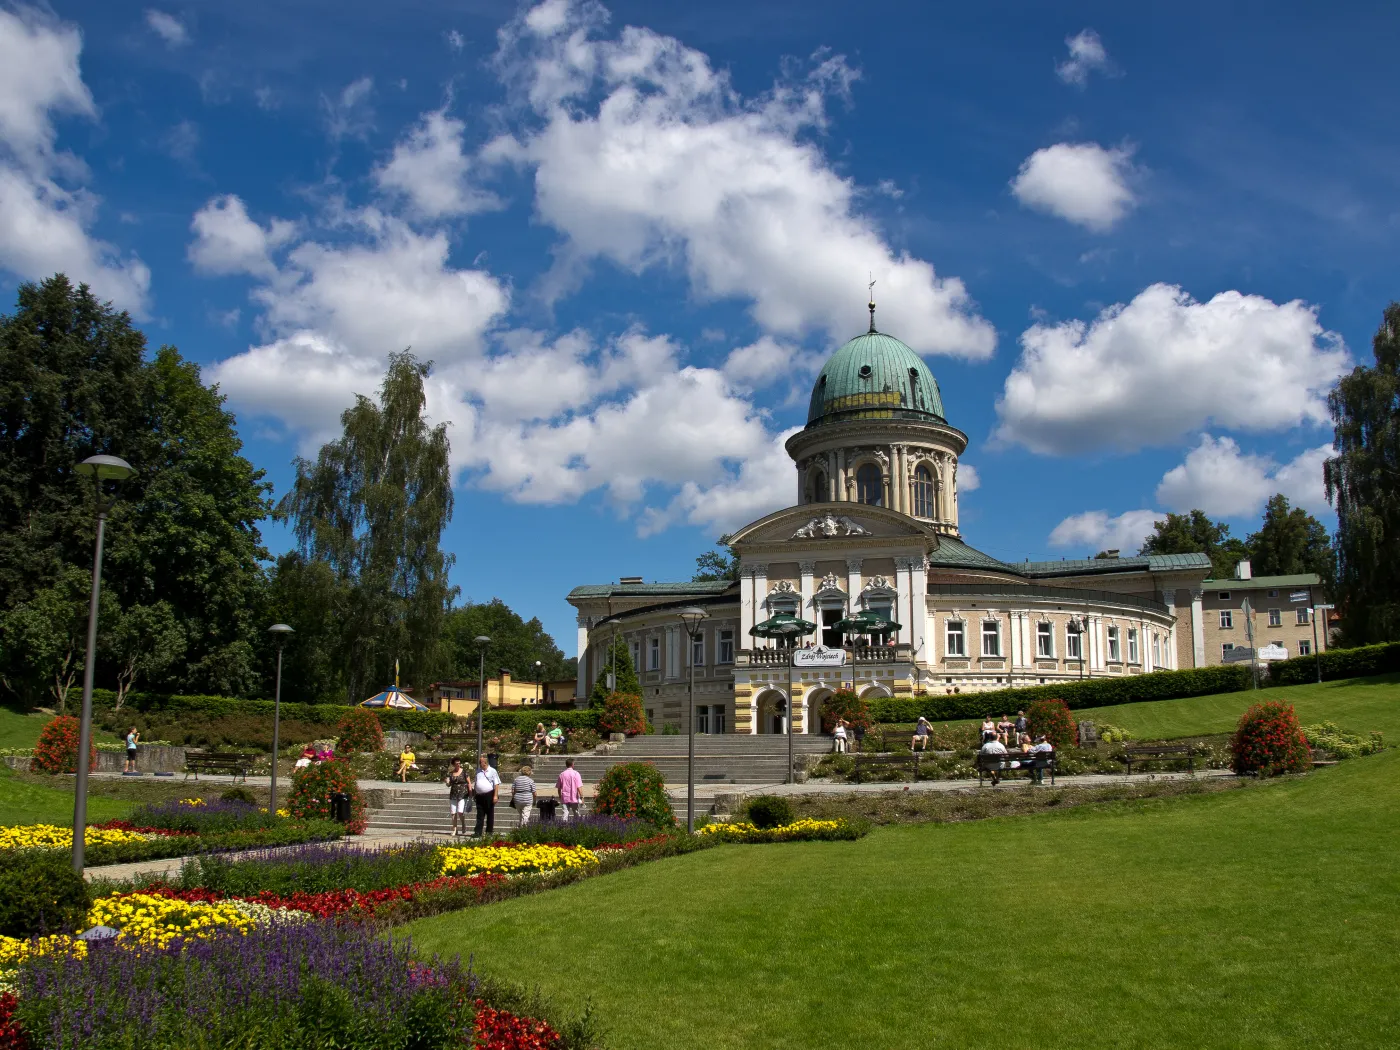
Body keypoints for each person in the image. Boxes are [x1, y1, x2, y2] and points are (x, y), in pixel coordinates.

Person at [472, 754, 501, 838]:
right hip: (479, 795)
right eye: (480, 762)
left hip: (489, 795)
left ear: (485, 763)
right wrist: (475, 793)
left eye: (481, 762)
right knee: (480, 815)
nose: (480, 764)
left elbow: (496, 784)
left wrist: (495, 796)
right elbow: (476, 782)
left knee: (490, 814)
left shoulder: (492, 771)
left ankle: (489, 832)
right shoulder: (478, 771)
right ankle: (478, 832)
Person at [444, 758, 471, 836]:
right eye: (456, 763)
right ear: (453, 764)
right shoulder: (451, 773)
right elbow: (449, 785)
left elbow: (469, 782)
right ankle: (454, 829)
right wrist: (447, 782)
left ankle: (463, 824)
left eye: (459, 763)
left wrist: (470, 793)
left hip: (462, 793)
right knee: (453, 813)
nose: (458, 764)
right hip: (453, 793)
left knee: (460, 811)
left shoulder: (464, 772)